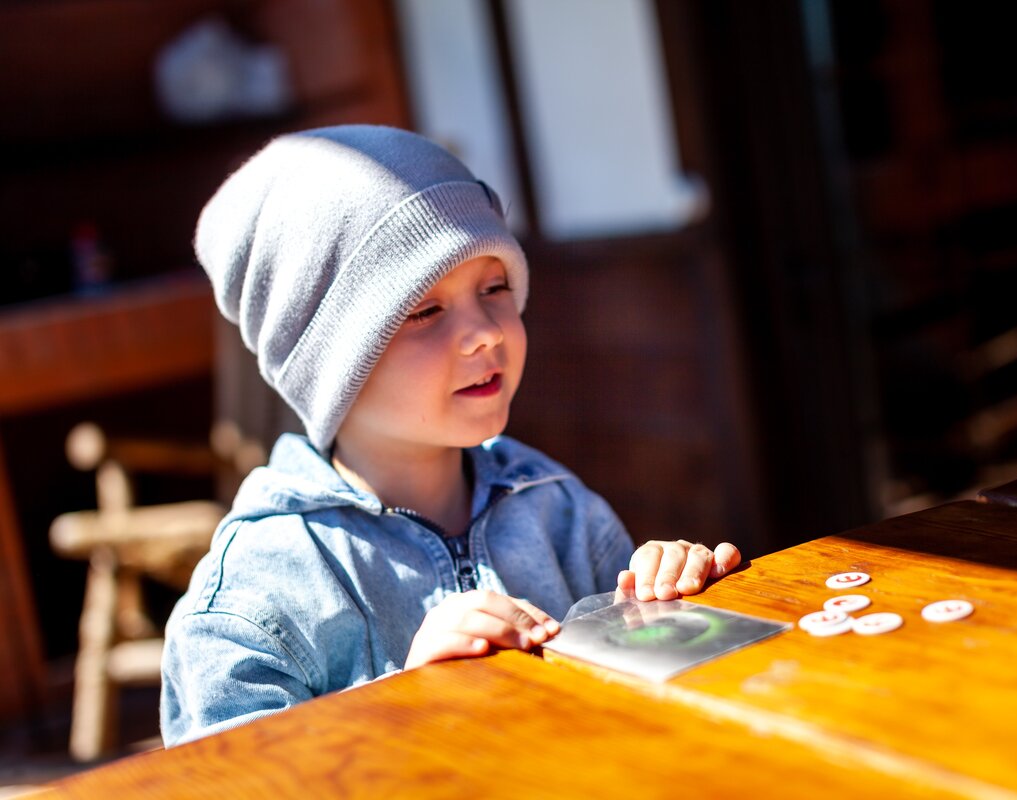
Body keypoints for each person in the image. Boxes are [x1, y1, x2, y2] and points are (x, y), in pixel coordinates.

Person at [160, 125, 742, 745]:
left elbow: (646, 714)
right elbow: (230, 778)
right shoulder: (257, 591)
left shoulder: (557, 508)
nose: (485, 331)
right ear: (326, 362)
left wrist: (667, 601)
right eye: (424, 310)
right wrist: (406, 704)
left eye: (495, 288)